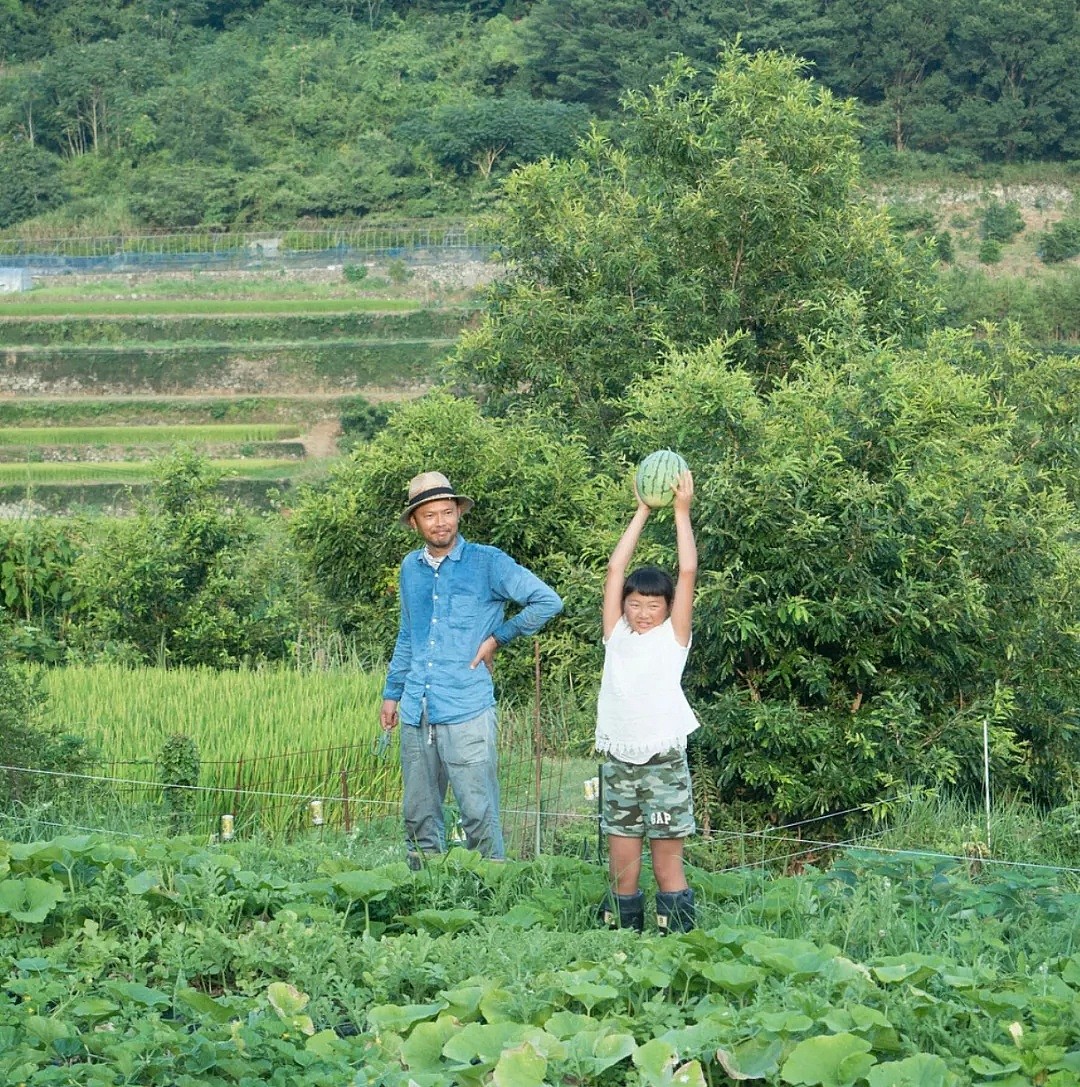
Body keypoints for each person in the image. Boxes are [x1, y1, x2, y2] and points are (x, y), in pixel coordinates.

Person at [380, 470, 563, 865]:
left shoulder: (488, 563)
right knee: (418, 814)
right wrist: (392, 695)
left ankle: (486, 893)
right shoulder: (410, 568)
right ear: (415, 522)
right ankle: (426, 891)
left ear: (458, 513)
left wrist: (497, 638)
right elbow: (407, 634)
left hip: (466, 706)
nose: (440, 522)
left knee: (477, 811)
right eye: (430, 516)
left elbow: (547, 601)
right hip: (416, 707)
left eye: (447, 512)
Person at [595, 469, 699, 933]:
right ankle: (623, 941)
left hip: (663, 765)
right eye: (634, 603)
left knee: (666, 868)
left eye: (653, 605)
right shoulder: (616, 636)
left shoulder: (673, 640)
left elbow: (688, 570)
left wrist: (680, 513)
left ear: (667, 607)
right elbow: (615, 570)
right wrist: (641, 510)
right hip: (619, 762)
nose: (641, 612)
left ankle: (676, 942)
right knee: (623, 870)